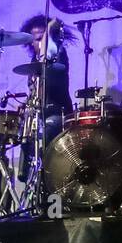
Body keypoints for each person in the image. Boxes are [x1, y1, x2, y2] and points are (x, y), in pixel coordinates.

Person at [19, 14, 75, 182]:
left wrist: (50, 29)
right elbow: (35, 92)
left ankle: (51, 181)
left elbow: (51, 80)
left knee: (47, 131)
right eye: (37, 39)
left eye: (44, 37)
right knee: (23, 130)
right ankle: (27, 178)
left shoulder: (58, 54)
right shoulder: (33, 61)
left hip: (58, 114)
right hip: (39, 114)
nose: (41, 41)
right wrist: (25, 104)